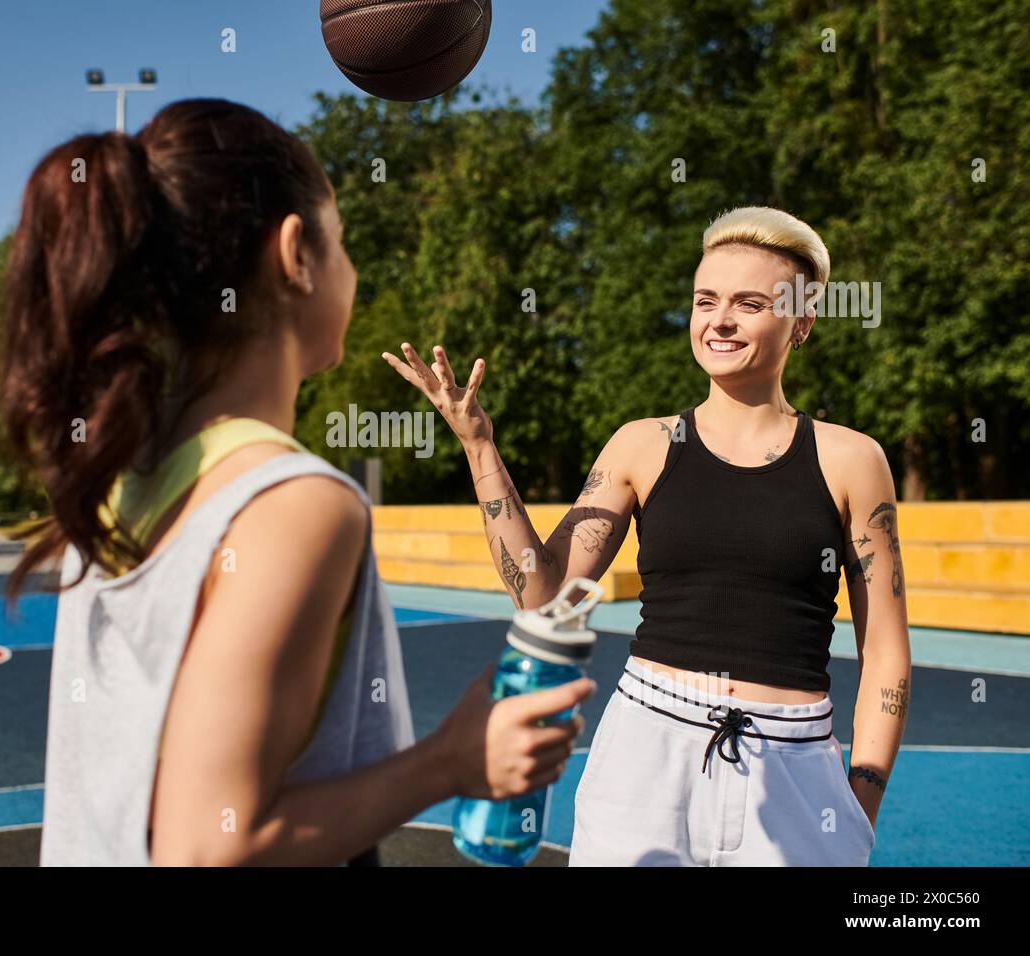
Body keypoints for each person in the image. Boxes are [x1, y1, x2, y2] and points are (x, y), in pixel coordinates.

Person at [0, 98, 594, 866]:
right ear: (295, 256)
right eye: (341, 242)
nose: (353, 267)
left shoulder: (109, 477)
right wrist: (451, 761)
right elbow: (209, 849)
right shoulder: (292, 505)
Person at [385, 206, 911, 866]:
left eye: (749, 303)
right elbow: (543, 594)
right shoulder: (642, 445)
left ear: (801, 322)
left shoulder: (852, 460)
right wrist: (479, 447)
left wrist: (862, 795)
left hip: (797, 765)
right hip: (645, 757)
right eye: (705, 300)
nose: (719, 320)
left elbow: (886, 651)